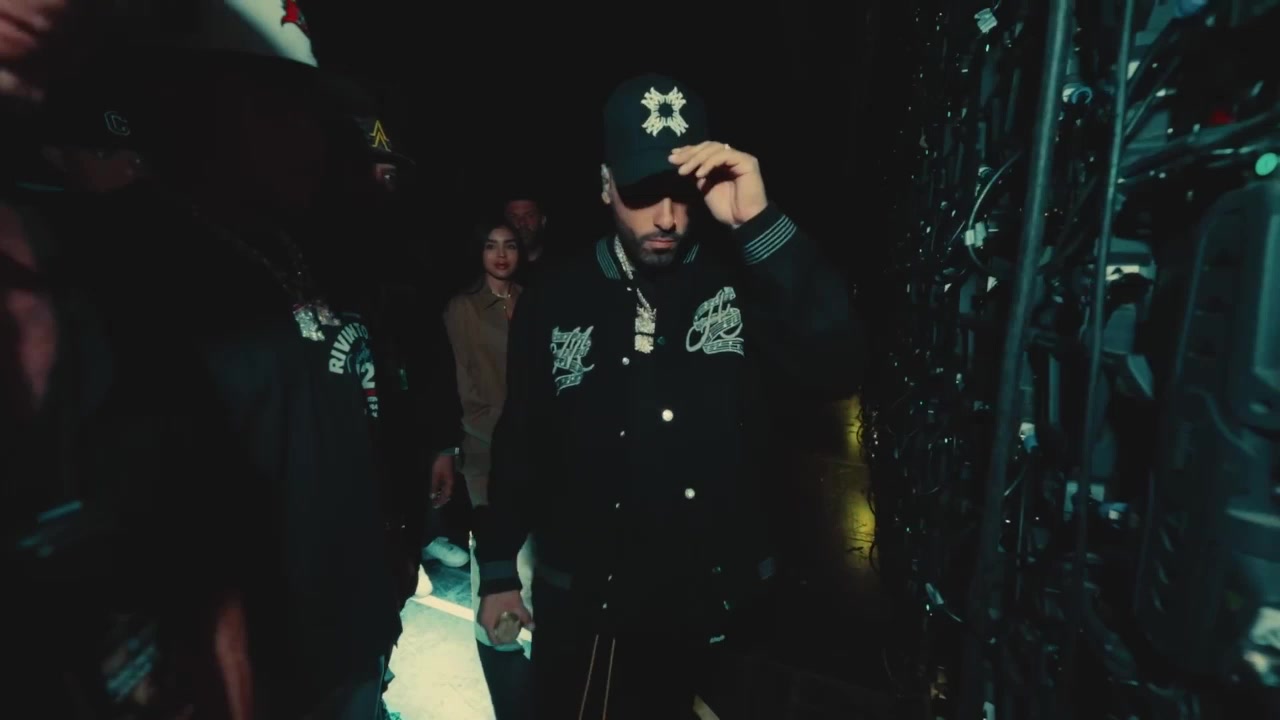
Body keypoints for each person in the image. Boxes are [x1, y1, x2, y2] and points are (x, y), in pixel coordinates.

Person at [474, 73, 865, 718]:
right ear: (606, 185)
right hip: (594, 613)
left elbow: (838, 365)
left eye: (682, 194)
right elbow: (523, 439)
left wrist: (758, 224)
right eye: (641, 193)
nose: (666, 218)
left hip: (722, 611)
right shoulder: (556, 299)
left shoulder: (743, 282)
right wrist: (496, 571)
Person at [444, 218, 534, 719]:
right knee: (497, 582)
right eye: (490, 246)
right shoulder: (462, 308)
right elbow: (463, 388)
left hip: (537, 456)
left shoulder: (533, 301)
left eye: (510, 246)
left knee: (531, 576)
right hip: (487, 453)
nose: (501, 255)